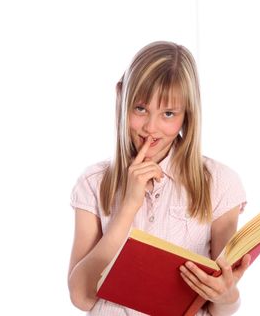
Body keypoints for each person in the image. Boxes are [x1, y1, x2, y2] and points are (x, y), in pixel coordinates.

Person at [68, 41, 250, 315]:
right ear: (122, 99)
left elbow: (218, 307)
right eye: (140, 109)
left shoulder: (219, 183)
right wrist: (128, 206)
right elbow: (81, 296)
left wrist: (226, 295)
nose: (151, 128)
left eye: (168, 114)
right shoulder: (94, 182)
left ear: (187, 115)